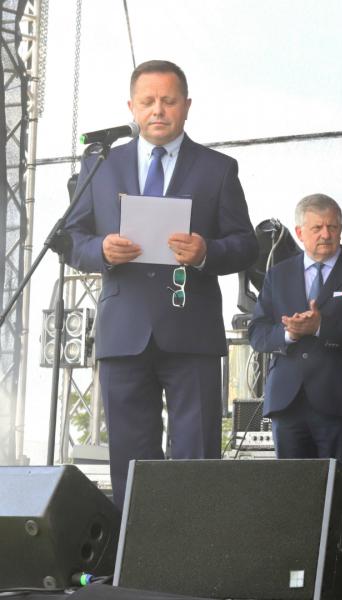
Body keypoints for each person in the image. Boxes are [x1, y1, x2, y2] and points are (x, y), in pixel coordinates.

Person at [64, 60, 258, 509]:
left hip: (191, 331)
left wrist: (206, 251)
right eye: (148, 101)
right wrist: (101, 250)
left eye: (168, 101)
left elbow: (245, 244)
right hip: (123, 332)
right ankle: (134, 549)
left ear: (186, 106)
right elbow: (71, 238)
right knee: (130, 461)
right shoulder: (100, 165)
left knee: (196, 458)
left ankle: (193, 549)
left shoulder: (217, 168)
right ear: (131, 107)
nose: (158, 110)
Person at [248, 194, 342, 470]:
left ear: (341, 229)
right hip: (287, 403)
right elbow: (257, 332)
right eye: (317, 228)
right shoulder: (278, 274)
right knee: (292, 490)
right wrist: (290, 334)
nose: (326, 234)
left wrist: (321, 327)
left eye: (332, 227)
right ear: (299, 233)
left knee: (339, 489)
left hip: (341, 401)